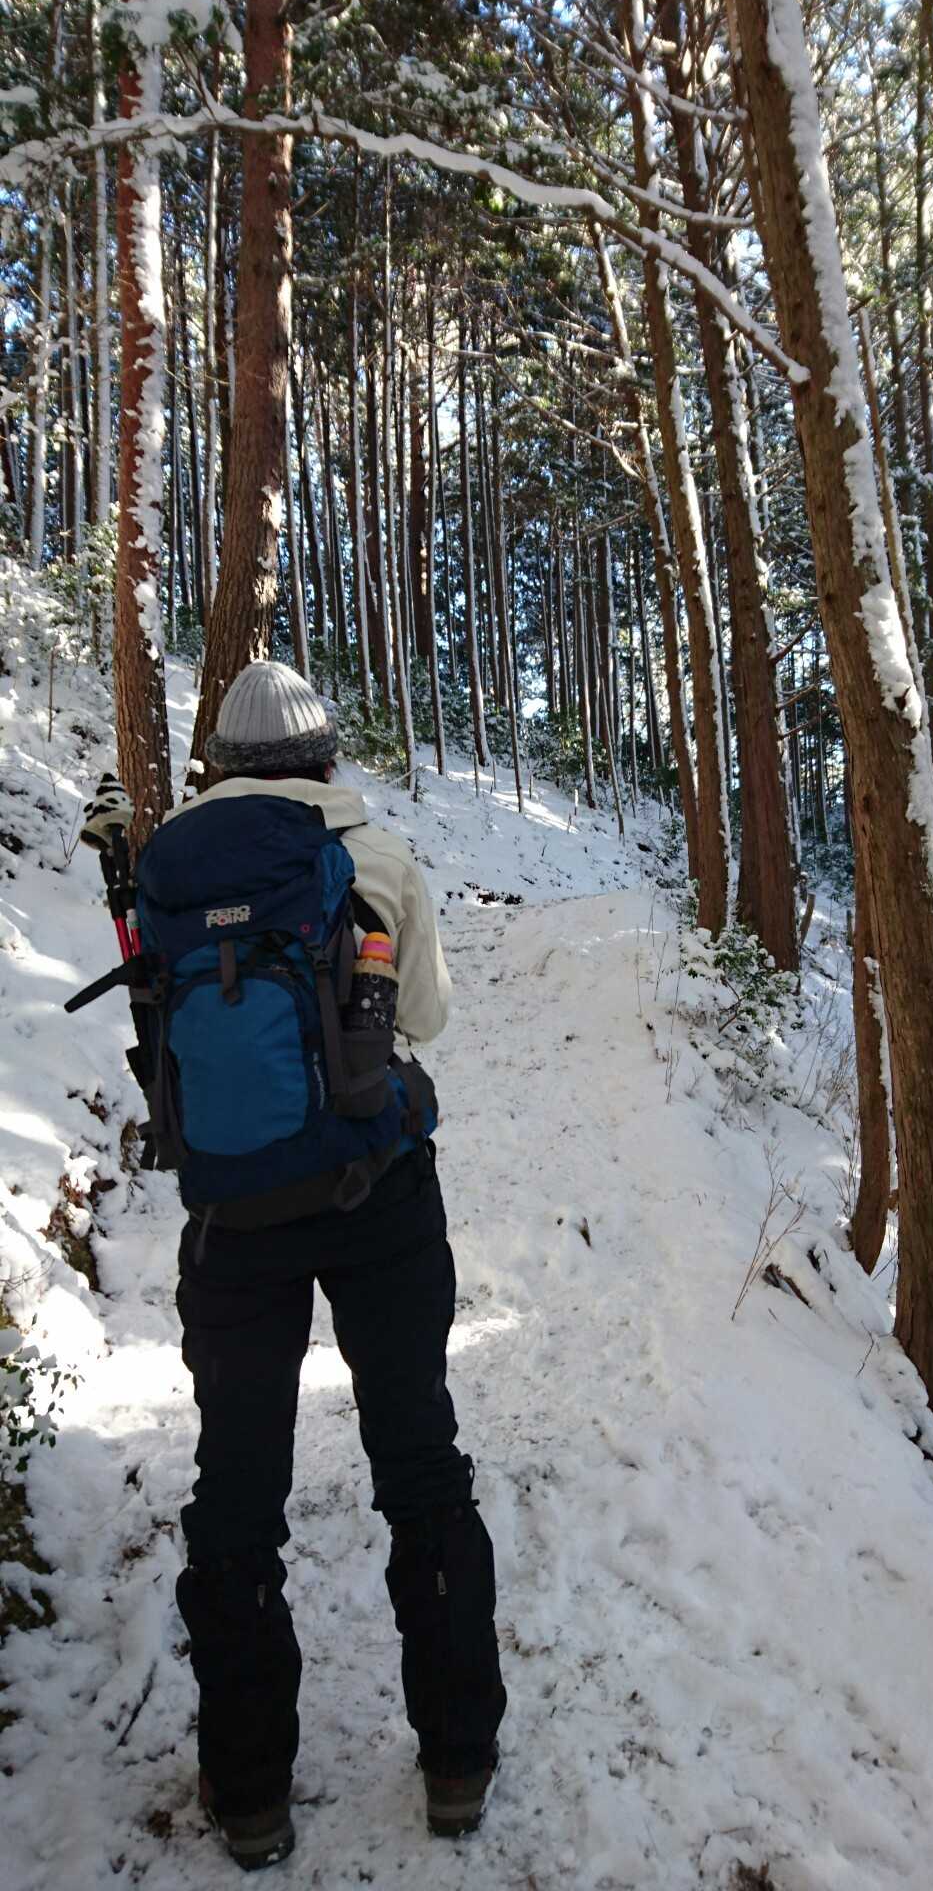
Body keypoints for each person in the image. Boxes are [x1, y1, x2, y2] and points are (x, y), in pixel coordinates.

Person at [160, 662, 506, 1871]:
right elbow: (429, 1017)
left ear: (221, 761)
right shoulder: (377, 855)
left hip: (233, 1217)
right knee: (420, 1463)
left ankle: (250, 1790)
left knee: (237, 1495)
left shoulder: (171, 865)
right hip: (376, 1192)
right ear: (322, 755)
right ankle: (457, 1759)